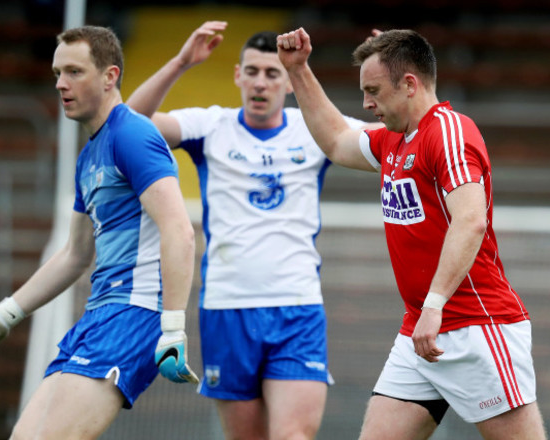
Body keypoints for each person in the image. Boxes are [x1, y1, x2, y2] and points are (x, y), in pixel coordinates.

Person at [277, 28, 547, 440]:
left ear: (409, 84)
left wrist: (435, 305)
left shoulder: (449, 131)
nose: (366, 103)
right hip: (420, 333)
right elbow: (334, 140)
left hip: (477, 328)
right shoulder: (394, 141)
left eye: (373, 90)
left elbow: (470, 220)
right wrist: (298, 70)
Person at [126, 21, 380, 440]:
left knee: (292, 436)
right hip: (227, 309)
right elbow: (129, 126)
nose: (261, 83)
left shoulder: (316, 130)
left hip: (296, 308)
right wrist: (181, 62)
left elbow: (397, 135)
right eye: (253, 72)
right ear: (238, 75)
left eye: (273, 73)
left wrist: (384, 71)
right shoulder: (210, 127)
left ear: (290, 81)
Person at [0, 25, 198, 439]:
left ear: (110, 77)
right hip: (98, 316)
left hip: (134, 315)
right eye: (57, 73)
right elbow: (75, 255)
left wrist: (172, 329)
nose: (61, 84)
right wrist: (4, 314)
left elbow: (180, 230)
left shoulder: (131, 134)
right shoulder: (89, 155)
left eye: (75, 72)